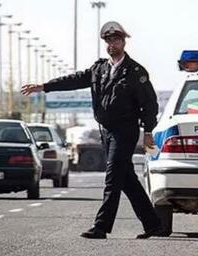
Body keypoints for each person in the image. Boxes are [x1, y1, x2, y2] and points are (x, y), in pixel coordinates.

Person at [21, 21, 164, 239]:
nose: (111, 44)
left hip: (125, 131)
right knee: (127, 180)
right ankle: (154, 225)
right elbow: (74, 80)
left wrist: (148, 131)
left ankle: (101, 227)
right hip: (106, 131)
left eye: (115, 40)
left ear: (124, 42)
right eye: (108, 41)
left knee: (112, 177)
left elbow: (150, 104)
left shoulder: (135, 71)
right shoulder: (100, 69)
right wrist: (43, 87)